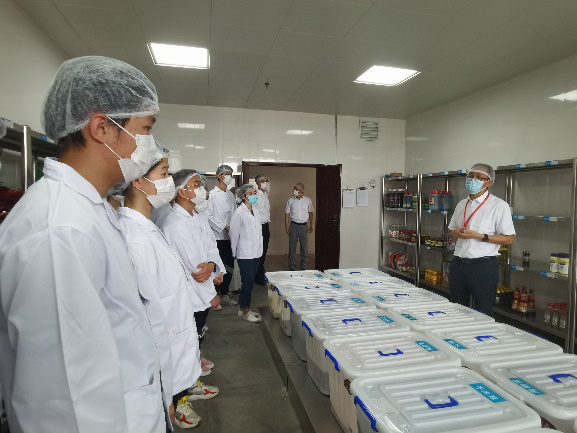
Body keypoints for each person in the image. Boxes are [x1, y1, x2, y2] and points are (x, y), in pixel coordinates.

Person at [0, 56, 167, 433]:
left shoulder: (92, 209)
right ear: (102, 128)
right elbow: (68, 403)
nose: (151, 146)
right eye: (145, 128)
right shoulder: (59, 231)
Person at [118, 146, 205, 429]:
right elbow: (145, 323)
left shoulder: (148, 227)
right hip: (156, 374)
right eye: (165, 174)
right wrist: (162, 393)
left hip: (170, 362)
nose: (170, 182)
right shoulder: (135, 239)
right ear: (137, 180)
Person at [159, 169, 222, 399]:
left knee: (195, 341)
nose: (201, 189)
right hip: (190, 296)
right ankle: (182, 397)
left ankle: (192, 381)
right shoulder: (175, 223)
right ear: (181, 191)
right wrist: (212, 294)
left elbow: (209, 249)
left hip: (199, 294)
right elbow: (198, 271)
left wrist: (214, 266)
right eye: (196, 184)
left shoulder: (195, 216)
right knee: (185, 347)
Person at [448, 163, 515, 316]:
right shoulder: (461, 204)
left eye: (479, 177)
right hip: (458, 264)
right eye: (470, 176)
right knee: (456, 310)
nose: (473, 180)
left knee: (483, 311)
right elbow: (451, 232)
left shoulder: (499, 205)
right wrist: (456, 233)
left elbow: (508, 239)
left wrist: (480, 236)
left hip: (483, 266)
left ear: (489, 182)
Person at [229, 184, 263, 323]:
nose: (254, 195)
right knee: (247, 283)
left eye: (255, 193)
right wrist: (234, 252)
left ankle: (243, 308)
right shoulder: (239, 213)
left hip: (256, 252)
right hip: (245, 253)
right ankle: (245, 310)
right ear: (243, 196)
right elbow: (234, 234)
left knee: (250, 282)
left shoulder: (255, 210)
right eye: (251, 193)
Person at [207, 164, 238, 309]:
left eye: (230, 174)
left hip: (230, 236)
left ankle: (225, 293)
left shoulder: (230, 195)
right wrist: (223, 226)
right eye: (226, 174)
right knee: (218, 267)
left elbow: (234, 213)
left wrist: (234, 227)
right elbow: (208, 216)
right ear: (219, 176)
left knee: (229, 265)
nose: (229, 177)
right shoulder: (213, 194)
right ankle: (215, 295)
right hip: (217, 236)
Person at [285, 182, 314, 271]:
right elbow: (287, 214)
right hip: (293, 225)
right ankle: (292, 266)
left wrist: (311, 225)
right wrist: (287, 226)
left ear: (301, 191)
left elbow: (311, 213)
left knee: (304, 247)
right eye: (294, 189)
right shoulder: (290, 201)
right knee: (292, 247)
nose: (294, 191)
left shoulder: (308, 200)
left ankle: (304, 265)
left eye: (296, 189)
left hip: (304, 226)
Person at [253, 174, 271, 285]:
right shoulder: (255, 195)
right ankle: (257, 276)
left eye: (266, 181)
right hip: (259, 226)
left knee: (264, 251)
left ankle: (260, 273)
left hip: (265, 226)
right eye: (262, 181)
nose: (265, 183)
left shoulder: (265, 195)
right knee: (259, 252)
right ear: (257, 183)